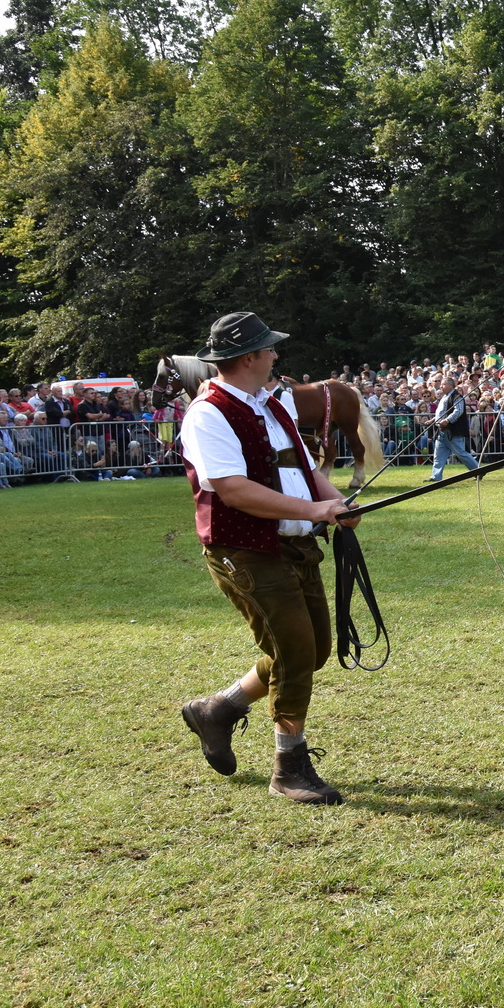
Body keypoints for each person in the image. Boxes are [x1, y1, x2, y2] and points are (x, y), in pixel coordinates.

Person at [176, 311, 361, 806]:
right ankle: (289, 767)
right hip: (245, 550)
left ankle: (219, 708)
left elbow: (305, 468)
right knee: (295, 653)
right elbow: (234, 491)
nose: (277, 354)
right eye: (270, 348)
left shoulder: (272, 404)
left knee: (313, 651)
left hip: (294, 547)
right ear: (249, 357)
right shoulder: (208, 414)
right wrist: (315, 510)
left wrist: (337, 502)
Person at [427, 376, 479, 481]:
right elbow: (442, 412)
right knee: (438, 455)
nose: (441, 386)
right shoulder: (445, 397)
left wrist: (447, 421)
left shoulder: (457, 397)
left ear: (451, 385)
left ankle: (478, 471)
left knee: (461, 454)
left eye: (443, 384)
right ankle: (436, 476)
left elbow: (458, 411)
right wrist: (433, 420)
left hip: (452, 431)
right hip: (441, 431)